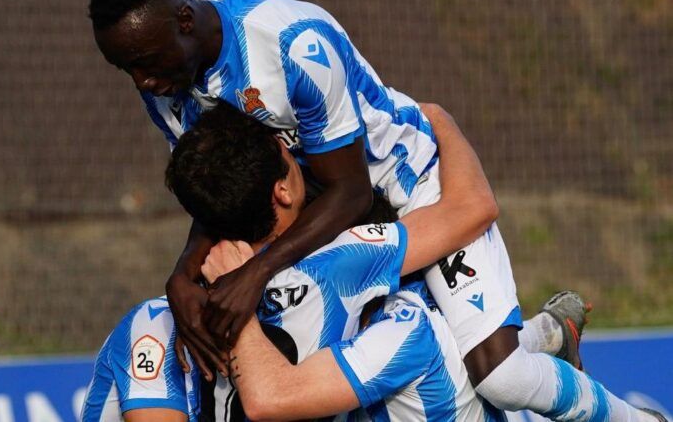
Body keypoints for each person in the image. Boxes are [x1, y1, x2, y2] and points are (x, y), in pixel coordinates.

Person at [87, 0, 665, 420]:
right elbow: (212, 187)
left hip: (408, 193)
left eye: (146, 59)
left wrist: (252, 272)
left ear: (183, 20)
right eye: (126, 68)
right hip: (322, 223)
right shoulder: (165, 80)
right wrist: (183, 272)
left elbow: (354, 190)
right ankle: (545, 335)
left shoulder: (292, 44)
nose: (142, 79)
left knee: (502, 375)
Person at [167, 103, 666, 422]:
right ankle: (551, 337)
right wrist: (442, 124)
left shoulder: (180, 304)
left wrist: (193, 273)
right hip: (423, 380)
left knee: (490, 368)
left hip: (435, 388)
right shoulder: (349, 258)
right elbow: (473, 208)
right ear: (281, 186)